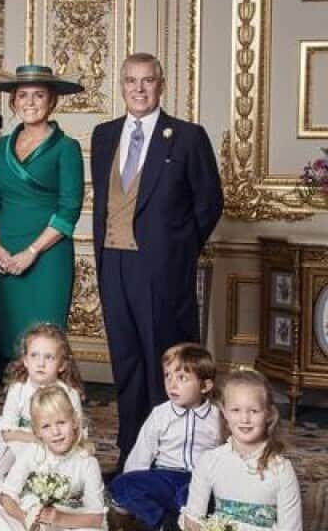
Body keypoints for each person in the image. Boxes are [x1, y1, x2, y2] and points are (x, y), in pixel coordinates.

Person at [91, 53, 224, 468]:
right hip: (114, 264)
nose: (139, 89)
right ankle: (132, 457)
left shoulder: (186, 137)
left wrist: (177, 252)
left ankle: (170, 459)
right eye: (131, 81)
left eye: (148, 81)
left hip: (163, 271)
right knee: (127, 363)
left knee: (164, 367)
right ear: (122, 86)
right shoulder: (103, 135)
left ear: (161, 85)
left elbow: (209, 203)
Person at [0, 65, 85, 379]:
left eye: (38, 95)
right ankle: (12, 409)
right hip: (4, 254)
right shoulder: (1, 147)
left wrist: (32, 252)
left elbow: (69, 212)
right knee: (8, 329)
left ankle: (48, 406)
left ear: (52, 101)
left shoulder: (67, 149)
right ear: (13, 102)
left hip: (46, 256)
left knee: (44, 332)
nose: (30, 102)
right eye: (23, 95)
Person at [109, 343, 221, 531]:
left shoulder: (217, 417)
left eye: (182, 378)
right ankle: (161, 521)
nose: (172, 384)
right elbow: (142, 452)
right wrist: (132, 483)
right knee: (121, 485)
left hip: (198, 480)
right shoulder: (160, 414)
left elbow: (228, 454)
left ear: (205, 385)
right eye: (167, 375)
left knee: (195, 497)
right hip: (164, 476)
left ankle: (184, 521)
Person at [0, 386, 107, 531]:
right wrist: (26, 519)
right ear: (37, 432)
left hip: (66, 525)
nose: (55, 432)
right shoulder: (32, 452)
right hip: (27, 521)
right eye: (46, 426)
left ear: (74, 422)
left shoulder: (87, 463)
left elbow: (96, 518)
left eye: (61, 423)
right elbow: (7, 497)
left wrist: (58, 518)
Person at [179, 369, 302, 531]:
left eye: (254, 411)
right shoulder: (209, 461)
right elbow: (194, 516)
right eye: (236, 410)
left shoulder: (281, 469)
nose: (245, 419)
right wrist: (192, 523)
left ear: (269, 414)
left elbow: (291, 528)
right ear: (224, 412)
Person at [0, 323, 86, 490]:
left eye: (49, 357)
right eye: (34, 356)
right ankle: (1, 496)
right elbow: (8, 432)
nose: (40, 363)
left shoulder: (69, 394)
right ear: (25, 361)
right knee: (6, 467)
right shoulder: (18, 390)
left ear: (61, 365)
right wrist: (36, 439)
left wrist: (52, 442)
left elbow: (77, 430)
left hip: (57, 442)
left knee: (67, 474)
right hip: (21, 442)